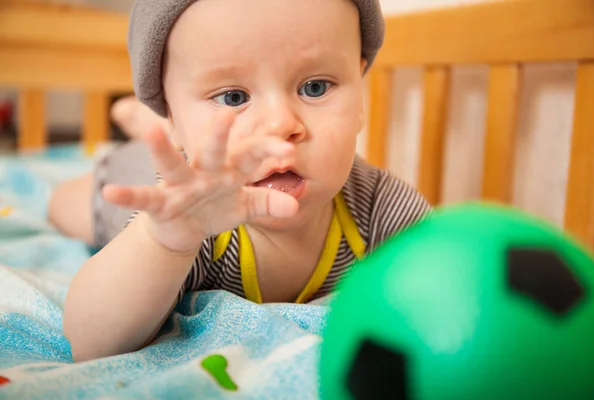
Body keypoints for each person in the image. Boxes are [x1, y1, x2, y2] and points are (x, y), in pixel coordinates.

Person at [60, 0, 432, 363]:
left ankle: (145, 123)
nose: (280, 125)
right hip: (132, 176)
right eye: (233, 96)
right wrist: (164, 240)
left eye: (315, 87)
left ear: (360, 98)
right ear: (173, 114)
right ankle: (144, 127)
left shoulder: (375, 203)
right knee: (63, 204)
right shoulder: (191, 216)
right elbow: (89, 343)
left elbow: (444, 268)